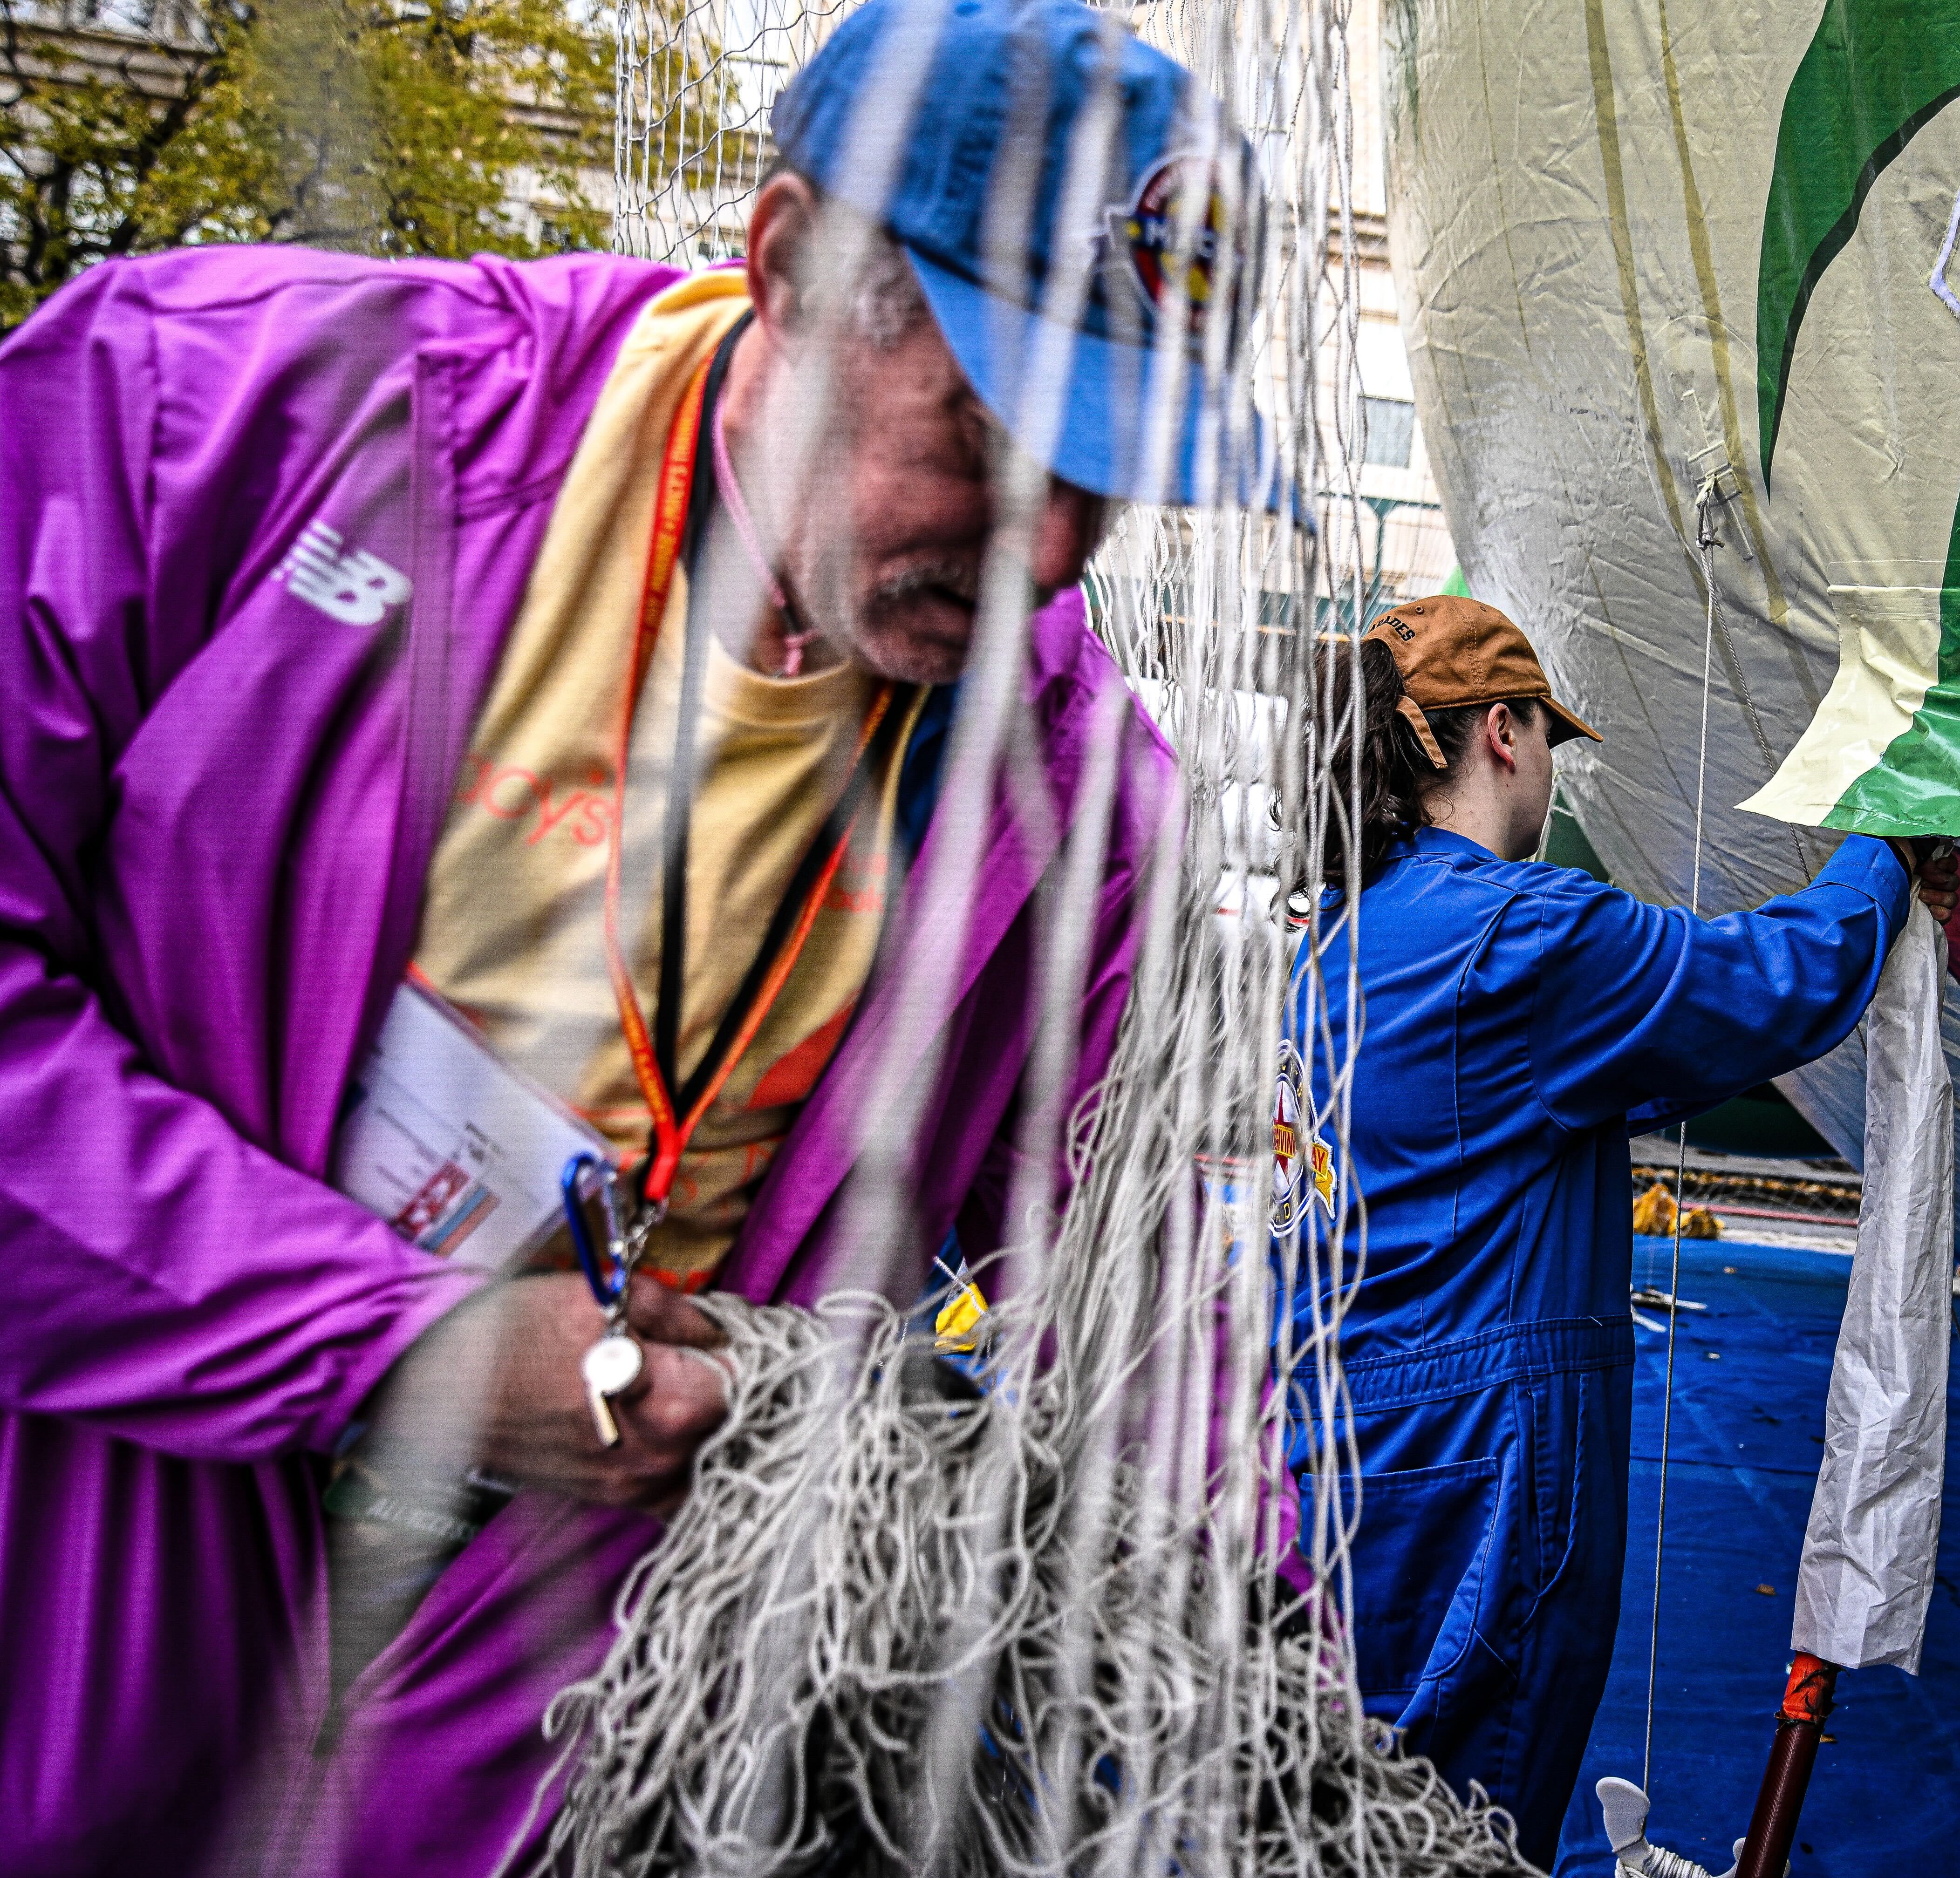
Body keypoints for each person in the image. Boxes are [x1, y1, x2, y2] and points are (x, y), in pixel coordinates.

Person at [0, 2, 1249, 1871]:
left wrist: (1249, 1677)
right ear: (787, 272)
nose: (1051, 548)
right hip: (85, 1572)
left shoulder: (1077, 818)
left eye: (1113, 475)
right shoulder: (218, 421)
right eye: (990, 439)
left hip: (520, 1746)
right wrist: (399, 1348)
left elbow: (1169, 1334)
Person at [1282, 597, 1955, 1864]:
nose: (1551, 772)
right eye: (1548, 739)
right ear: (1499, 733)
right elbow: (1765, 984)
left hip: (1333, 1431)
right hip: (1478, 1450)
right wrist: (1890, 847)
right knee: (1469, 1802)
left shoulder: (1341, 942)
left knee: (1354, 1781)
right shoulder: (1520, 935)